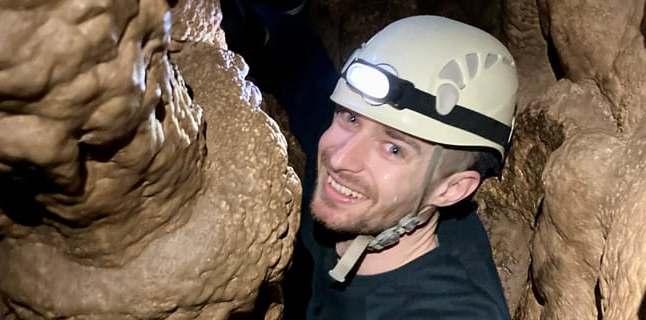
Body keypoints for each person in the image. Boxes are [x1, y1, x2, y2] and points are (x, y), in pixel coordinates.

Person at [221, 3, 516, 318]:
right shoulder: (364, 175)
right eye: (349, 117)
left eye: (393, 149)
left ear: (453, 189)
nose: (341, 157)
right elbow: (301, 59)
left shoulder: (448, 311)